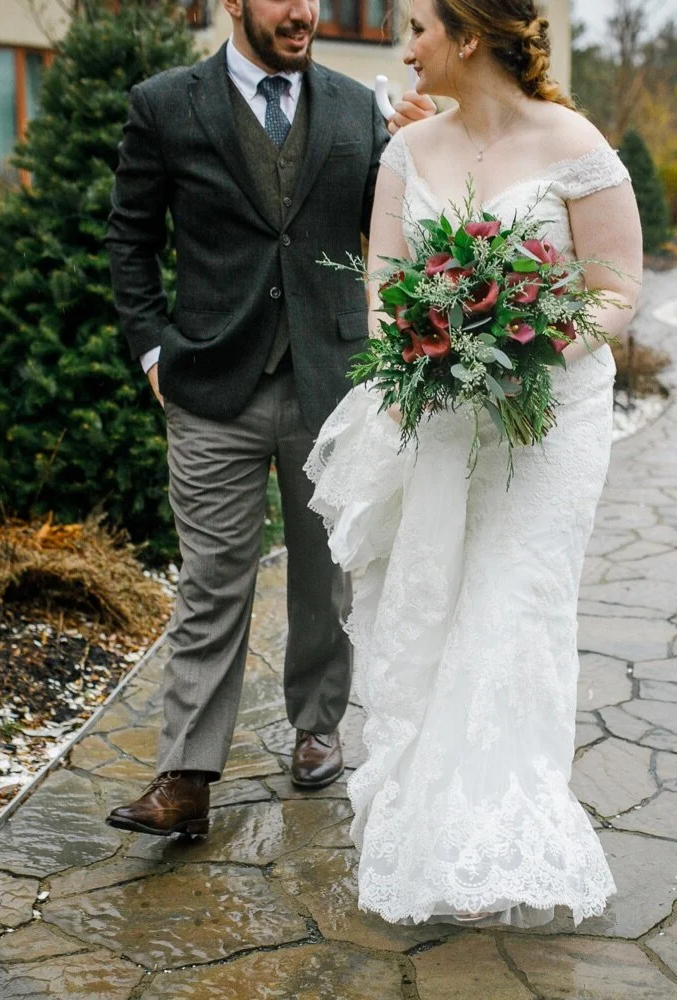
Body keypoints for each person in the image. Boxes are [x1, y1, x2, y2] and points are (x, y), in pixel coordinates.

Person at [303, 0, 644, 926]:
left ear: (469, 35)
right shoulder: (406, 154)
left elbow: (616, 289)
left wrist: (531, 350)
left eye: (416, 26)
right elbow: (381, 272)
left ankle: (505, 823)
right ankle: (433, 827)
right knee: (438, 602)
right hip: (441, 418)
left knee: (512, 603)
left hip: (547, 423)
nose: (403, 46)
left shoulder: (573, 142)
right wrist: (414, 351)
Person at [103, 0, 434, 839]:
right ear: (232, 3)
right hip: (212, 384)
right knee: (213, 576)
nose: (303, 11)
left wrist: (423, 154)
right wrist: (152, 352)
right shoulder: (166, 104)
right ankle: (186, 773)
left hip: (331, 378)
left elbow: (394, 231)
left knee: (325, 573)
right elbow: (130, 239)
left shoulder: (360, 107)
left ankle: (317, 723)